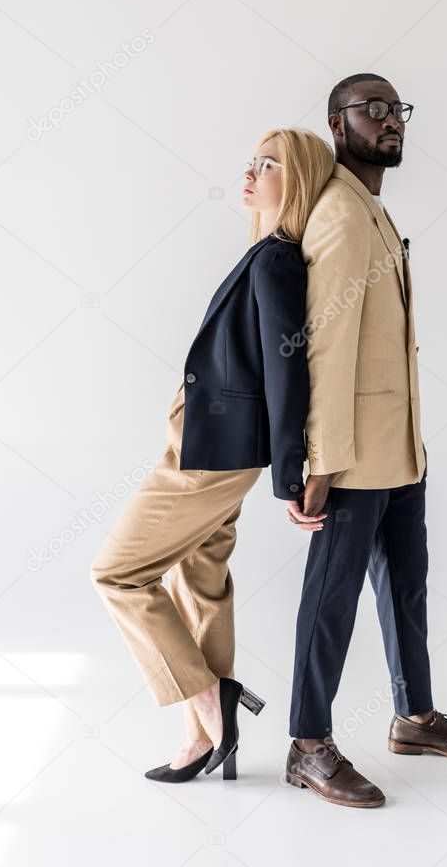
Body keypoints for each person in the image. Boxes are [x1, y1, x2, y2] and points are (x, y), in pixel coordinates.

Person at [284, 74, 447, 809]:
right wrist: (319, 459)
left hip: (397, 448)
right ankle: (308, 743)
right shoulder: (342, 214)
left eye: (396, 109)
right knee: (331, 599)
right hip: (351, 455)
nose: (389, 121)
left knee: (405, 585)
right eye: (370, 110)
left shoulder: (371, 206)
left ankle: (413, 717)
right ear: (335, 125)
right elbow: (327, 345)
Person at [90, 128, 333, 782]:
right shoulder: (260, 252)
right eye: (250, 162)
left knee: (117, 573)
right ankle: (202, 739)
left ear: (300, 180)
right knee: (199, 578)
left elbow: (289, 371)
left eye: (268, 165)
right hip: (206, 439)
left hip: (214, 452)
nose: (249, 174)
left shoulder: (277, 258)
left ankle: (208, 700)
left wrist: (291, 474)